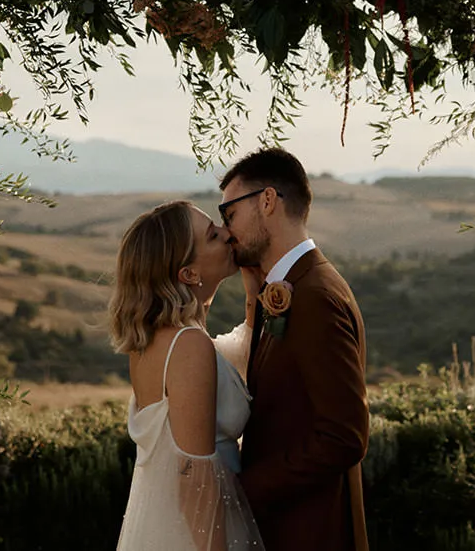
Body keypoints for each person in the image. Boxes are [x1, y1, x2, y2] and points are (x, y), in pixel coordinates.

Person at [219, 147, 369, 551]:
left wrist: (245, 487)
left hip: (309, 530)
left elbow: (344, 436)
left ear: (267, 201)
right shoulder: (294, 286)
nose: (226, 230)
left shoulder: (315, 295)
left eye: (229, 214)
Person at [109, 200, 265, 551]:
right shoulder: (188, 344)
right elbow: (194, 475)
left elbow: (231, 359)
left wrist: (254, 291)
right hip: (204, 533)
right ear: (188, 274)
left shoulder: (158, 339)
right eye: (213, 235)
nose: (228, 235)